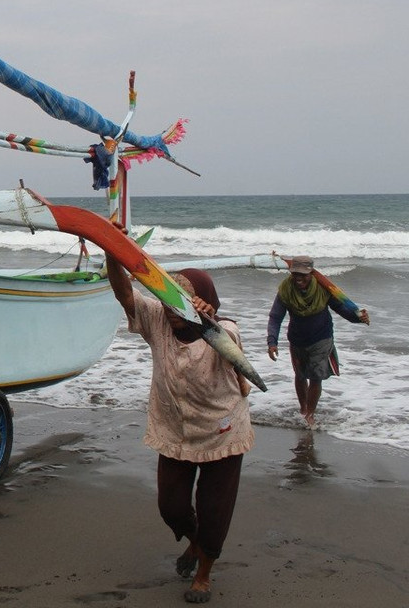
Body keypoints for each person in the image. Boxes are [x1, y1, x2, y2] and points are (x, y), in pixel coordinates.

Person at [106, 257, 253, 604]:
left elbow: (228, 335)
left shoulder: (223, 332)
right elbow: (124, 293)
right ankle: (196, 542)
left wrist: (207, 318)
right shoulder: (157, 318)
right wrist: (112, 253)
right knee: (170, 506)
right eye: (168, 300)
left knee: (213, 508)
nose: (172, 310)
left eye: (181, 303)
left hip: (223, 434)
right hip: (175, 431)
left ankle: (203, 574)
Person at [267, 255, 370, 428]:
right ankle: (303, 408)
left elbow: (342, 309)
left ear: (311, 273)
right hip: (297, 340)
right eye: (295, 275)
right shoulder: (285, 290)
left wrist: (358, 318)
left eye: (303, 275)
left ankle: (310, 413)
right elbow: (276, 317)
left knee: (315, 377)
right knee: (300, 376)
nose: (299, 279)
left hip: (321, 338)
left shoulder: (323, 289)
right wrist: (272, 341)